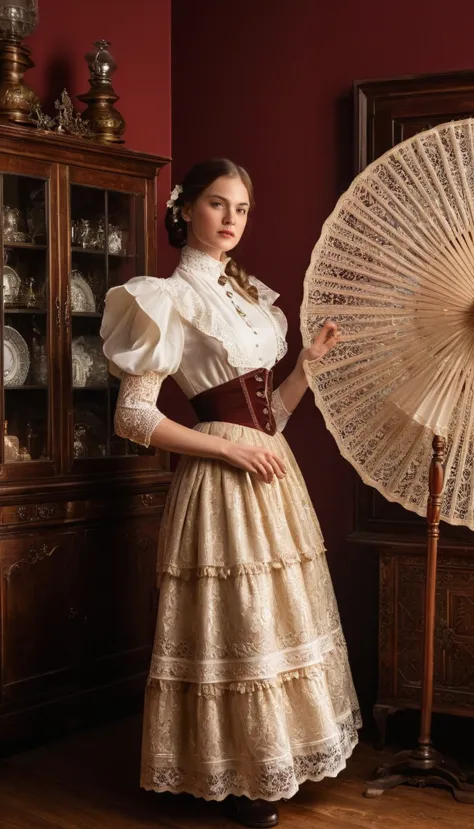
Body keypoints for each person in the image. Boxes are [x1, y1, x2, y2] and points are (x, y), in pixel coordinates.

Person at [101, 158, 361, 828]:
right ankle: (237, 772)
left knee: (275, 614)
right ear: (185, 208)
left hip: (270, 467)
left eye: (241, 209)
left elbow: (270, 412)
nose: (231, 220)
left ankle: (271, 758)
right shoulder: (167, 297)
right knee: (237, 622)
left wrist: (306, 367)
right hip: (221, 478)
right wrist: (225, 447)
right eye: (218, 204)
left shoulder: (247, 296)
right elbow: (133, 417)